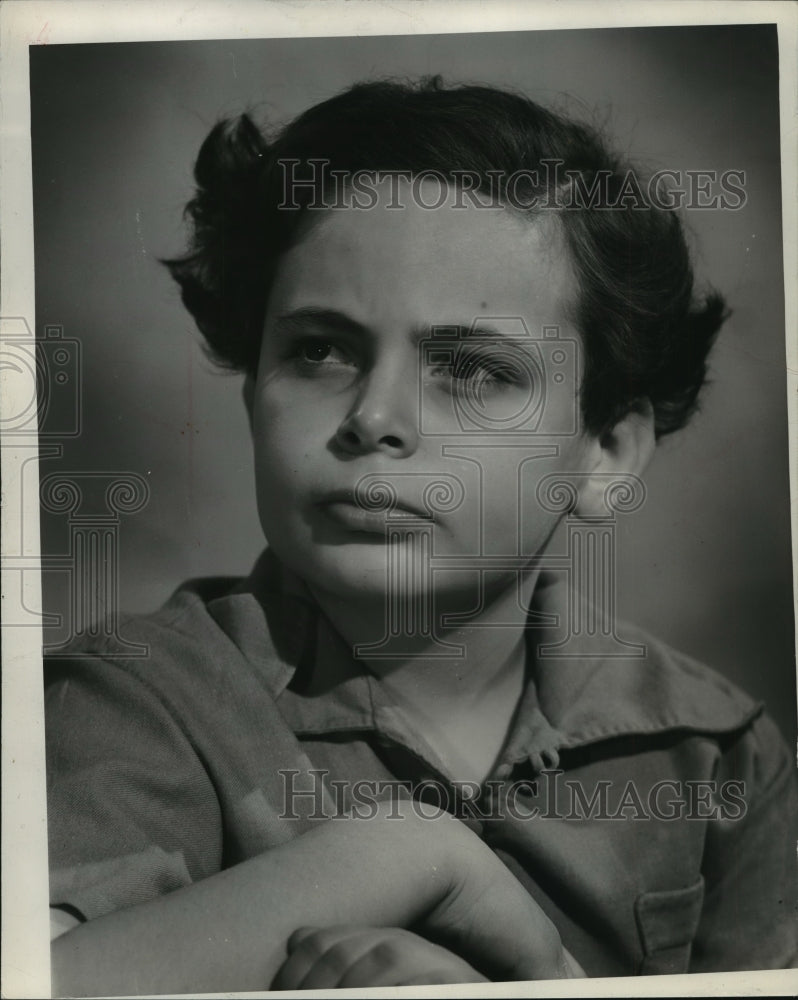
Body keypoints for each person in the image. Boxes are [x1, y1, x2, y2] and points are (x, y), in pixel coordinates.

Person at [45, 77, 796, 994]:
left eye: (473, 369)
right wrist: (405, 856)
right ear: (251, 389)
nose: (374, 416)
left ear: (605, 450)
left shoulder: (718, 753)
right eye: (320, 348)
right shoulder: (132, 705)